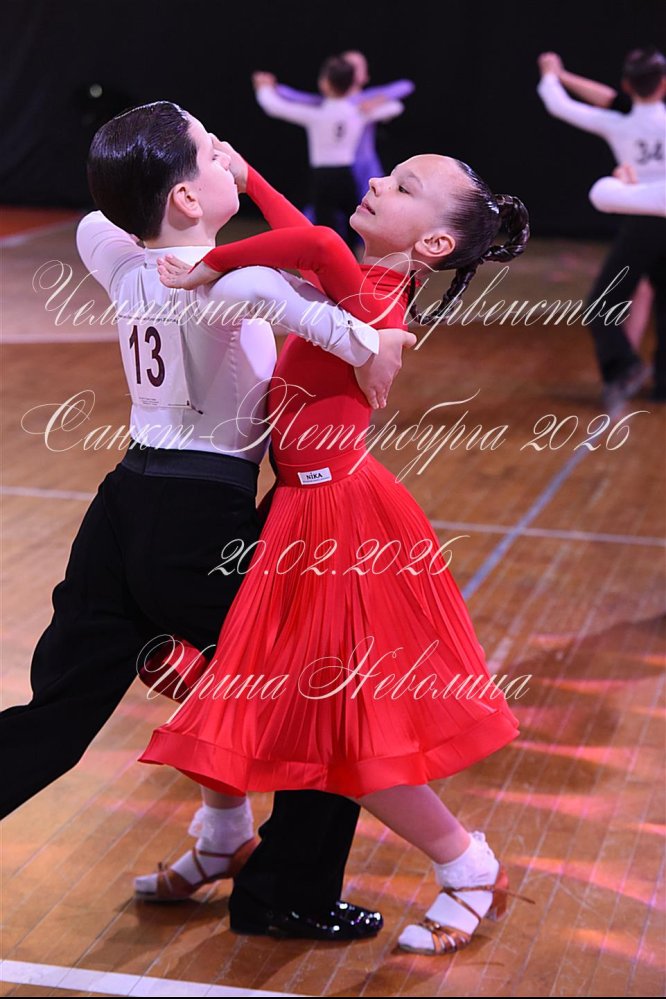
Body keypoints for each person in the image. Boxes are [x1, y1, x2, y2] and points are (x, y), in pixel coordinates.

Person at [0, 100, 418, 941]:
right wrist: (375, 346)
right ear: (187, 197)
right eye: (212, 154)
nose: (228, 158)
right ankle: (285, 894)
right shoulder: (232, 283)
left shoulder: (117, 255)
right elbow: (349, 326)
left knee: (56, 714)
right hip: (202, 523)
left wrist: (173, 184)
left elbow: (98, 218)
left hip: (121, 513)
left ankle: (227, 835)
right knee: (325, 693)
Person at [138, 144, 536, 955]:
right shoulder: (369, 285)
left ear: (433, 243)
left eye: (402, 185)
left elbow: (314, 244)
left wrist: (208, 264)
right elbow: (308, 241)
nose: (377, 182)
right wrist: (251, 180)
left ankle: (468, 866)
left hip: (335, 524)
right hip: (304, 507)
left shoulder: (376, 293)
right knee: (222, 678)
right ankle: (224, 832)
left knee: (344, 732)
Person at [537, 48, 666, 407]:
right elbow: (610, 99)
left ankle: (623, 366)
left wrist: (551, 75)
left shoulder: (619, 123)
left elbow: (560, 105)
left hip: (643, 219)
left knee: (602, 303)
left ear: (627, 85)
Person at [253, 55, 404, 248]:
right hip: (346, 176)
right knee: (352, 222)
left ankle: (331, 260)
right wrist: (374, 102)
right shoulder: (357, 112)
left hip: (322, 179)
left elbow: (274, 107)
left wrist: (263, 88)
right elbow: (395, 107)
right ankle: (351, 259)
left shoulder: (317, 114)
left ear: (325, 84)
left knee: (325, 225)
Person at [274, 50, 415, 206]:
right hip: (341, 165)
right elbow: (298, 98)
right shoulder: (327, 103)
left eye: (355, 67)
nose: (350, 69)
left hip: (365, 163)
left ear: (366, 76)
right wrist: (275, 87)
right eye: (346, 65)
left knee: (374, 202)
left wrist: (376, 101)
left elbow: (406, 86)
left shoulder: (367, 99)